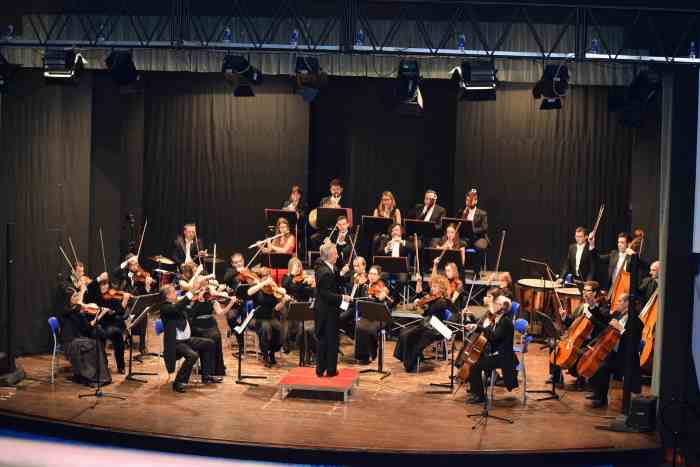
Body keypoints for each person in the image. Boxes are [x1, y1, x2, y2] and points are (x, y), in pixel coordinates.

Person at [587, 293, 642, 408]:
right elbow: (603, 319)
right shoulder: (617, 315)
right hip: (613, 353)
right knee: (597, 362)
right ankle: (598, 394)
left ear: (627, 304)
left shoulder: (637, 323)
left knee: (602, 367)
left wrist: (621, 329)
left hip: (625, 357)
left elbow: (632, 343)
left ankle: (601, 399)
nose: (617, 303)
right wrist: (593, 305)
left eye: (620, 301)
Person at [159, 284, 217, 393]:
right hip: (175, 343)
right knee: (192, 355)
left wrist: (199, 300)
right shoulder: (165, 307)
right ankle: (179, 382)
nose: (175, 293)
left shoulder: (176, 305)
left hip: (186, 340)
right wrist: (191, 293)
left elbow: (191, 312)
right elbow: (177, 308)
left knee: (209, 343)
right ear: (167, 296)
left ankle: (206, 375)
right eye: (173, 292)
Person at [464, 295, 518, 404]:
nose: (494, 304)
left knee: (475, 365)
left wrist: (481, 329)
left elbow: (494, 336)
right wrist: (475, 326)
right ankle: (474, 386)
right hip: (495, 353)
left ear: (503, 307)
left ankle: (479, 396)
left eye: (497, 303)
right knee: (473, 358)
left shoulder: (505, 322)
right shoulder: (498, 319)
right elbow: (487, 330)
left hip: (502, 356)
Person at [394, 275, 453, 372]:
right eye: (432, 286)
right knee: (404, 331)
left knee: (412, 336)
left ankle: (411, 363)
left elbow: (431, 310)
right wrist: (420, 298)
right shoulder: (433, 299)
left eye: (435, 287)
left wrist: (422, 304)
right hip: (428, 324)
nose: (432, 289)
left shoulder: (443, 301)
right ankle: (406, 357)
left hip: (437, 328)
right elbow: (427, 309)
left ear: (442, 289)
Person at [60, 286, 111, 386]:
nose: (76, 298)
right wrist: (97, 316)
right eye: (74, 296)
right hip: (70, 343)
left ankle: (98, 374)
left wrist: (98, 316)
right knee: (94, 344)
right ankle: (92, 375)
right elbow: (86, 327)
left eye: (77, 296)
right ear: (68, 299)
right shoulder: (66, 311)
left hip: (77, 339)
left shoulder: (75, 310)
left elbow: (86, 328)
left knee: (97, 343)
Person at [314, 242, 351, 377]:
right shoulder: (325, 273)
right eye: (335, 253)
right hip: (327, 311)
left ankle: (322, 369)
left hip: (325, 310)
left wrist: (345, 273)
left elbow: (338, 279)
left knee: (325, 340)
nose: (337, 256)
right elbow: (326, 294)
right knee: (329, 340)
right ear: (329, 256)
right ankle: (330, 370)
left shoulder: (326, 266)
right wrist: (342, 297)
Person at [188, 277, 237, 377]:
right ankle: (206, 369)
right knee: (209, 338)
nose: (205, 288)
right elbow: (190, 313)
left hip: (210, 323)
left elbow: (220, 312)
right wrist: (199, 299)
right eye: (202, 285)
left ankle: (216, 369)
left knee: (216, 336)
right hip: (197, 325)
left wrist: (231, 303)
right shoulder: (193, 298)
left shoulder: (211, 299)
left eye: (206, 285)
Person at [85, 272, 130, 374]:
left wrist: (114, 310)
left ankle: (121, 366)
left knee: (118, 335)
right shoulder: (94, 295)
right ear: (99, 286)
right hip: (98, 323)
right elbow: (89, 287)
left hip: (110, 324)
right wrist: (98, 278)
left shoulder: (112, 297)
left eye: (106, 284)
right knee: (103, 335)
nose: (105, 287)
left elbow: (121, 311)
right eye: (102, 284)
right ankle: (102, 365)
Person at [112, 253, 156, 354]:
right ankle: (125, 335)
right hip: (125, 302)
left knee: (144, 314)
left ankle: (142, 346)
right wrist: (128, 261)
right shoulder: (123, 274)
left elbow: (145, 294)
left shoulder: (141, 276)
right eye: (134, 264)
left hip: (136, 303)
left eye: (137, 264)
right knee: (127, 315)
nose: (137, 266)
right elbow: (115, 272)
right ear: (129, 265)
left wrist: (147, 286)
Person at [247, 267, 286, 367]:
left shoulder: (272, 290)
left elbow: (279, 303)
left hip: (271, 317)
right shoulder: (257, 288)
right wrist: (262, 284)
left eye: (269, 276)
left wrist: (282, 299)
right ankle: (265, 356)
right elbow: (249, 292)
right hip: (258, 318)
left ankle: (272, 353)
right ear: (261, 278)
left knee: (279, 329)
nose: (268, 278)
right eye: (265, 276)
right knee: (265, 328)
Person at [281, 257, 316, 361]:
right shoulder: (286, 277)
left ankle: (301, 345)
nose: (298, 268)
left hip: (302, 305)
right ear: (291, 267)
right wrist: (292, 274)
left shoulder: (304, 278)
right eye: (296, 266)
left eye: (299, 266)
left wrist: (311, 283)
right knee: (286, 319)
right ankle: (285, 343)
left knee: (303, 326)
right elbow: (285, 286)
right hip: (289, 304)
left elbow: (309, 292)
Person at [355, 265, 391, 364]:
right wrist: (360, 286)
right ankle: (362, 357)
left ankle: (373, 351)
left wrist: (382, 295)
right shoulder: (365, 286)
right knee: (359, 326)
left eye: (374, 274)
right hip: (367, 316)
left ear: (379, 276)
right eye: (370, 273)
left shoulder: (382, 287)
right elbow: (357, 300)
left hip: (379, 318)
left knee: (370, 329)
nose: (371, 276)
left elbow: (384, 299)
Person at [261, 217, 297, 285]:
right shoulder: (277, 237)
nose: (283, 229)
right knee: (270, 275)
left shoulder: (291, 237)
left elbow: (284, 250)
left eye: (284, 227)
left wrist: (271, 246)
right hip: (276, 265)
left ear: (288, 227)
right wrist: (260, 247)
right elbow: (269, 250)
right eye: (281, 227)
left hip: (287, 265)